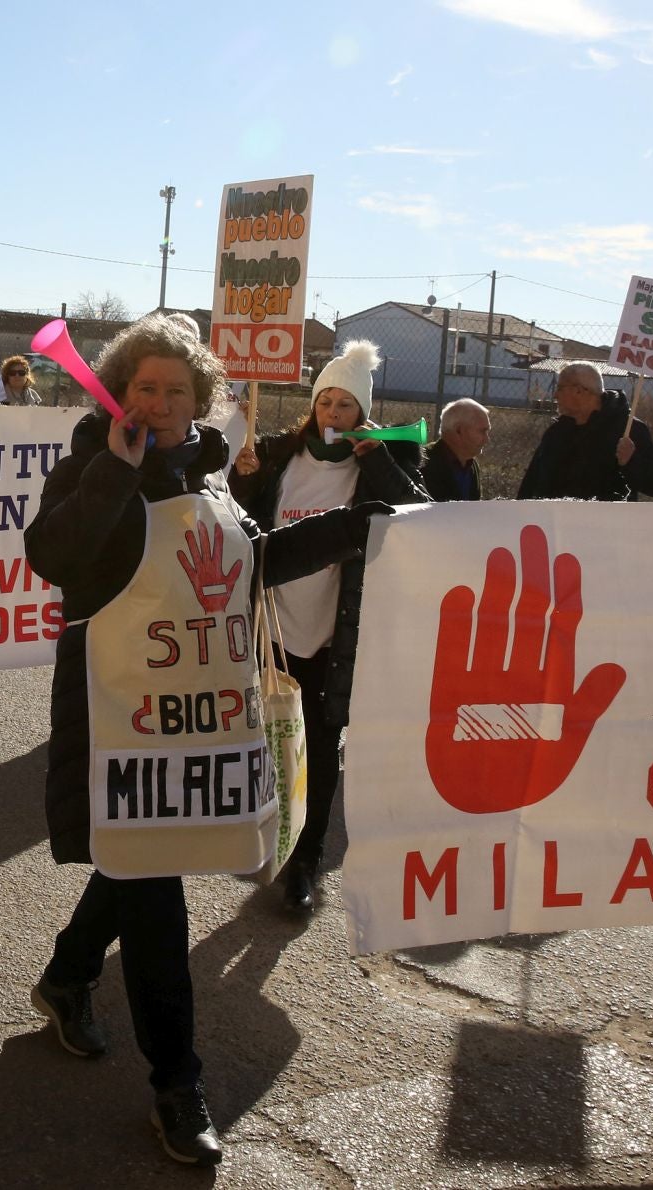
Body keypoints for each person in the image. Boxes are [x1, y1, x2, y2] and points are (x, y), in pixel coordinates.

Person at [22, 313, 388, 1166]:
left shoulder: (214, 477)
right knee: (153, 886)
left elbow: (252, 564)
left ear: (201, 401)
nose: (155, 402)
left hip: (200, 718)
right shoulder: (90, 460)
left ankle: (68, 975)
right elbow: (53, 553)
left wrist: (352, 526)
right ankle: (177, 1084)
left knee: (140, 857)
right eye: (141, 386)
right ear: (119, 392)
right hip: (120, 721)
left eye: (173, 390)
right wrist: (116, 470)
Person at [229, 340, 427, 911]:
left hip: (334, 633)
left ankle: (306, 861)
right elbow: (241, 520)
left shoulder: (382, 460)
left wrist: (378, 461)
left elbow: (417, 515)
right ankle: (269, 837)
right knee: (265, 739)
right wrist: (245, 479)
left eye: (345, 406)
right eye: (325, 403)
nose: (333, 415)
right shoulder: (278, 453)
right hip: (271, 625)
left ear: (362, 413)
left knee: (318, 744)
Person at [516, 362, 653, 501]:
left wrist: (632, 461)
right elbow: (531, 483)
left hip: (606, 527)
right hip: (556, 526)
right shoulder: (556, 432)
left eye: (560, 388)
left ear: (579, 391)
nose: (555, 395)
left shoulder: (628, 429)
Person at [421, 398, 489, 502]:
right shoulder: (423, 462)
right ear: (458, 430)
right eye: (482, 431)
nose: (486, 439)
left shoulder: (471, 464)